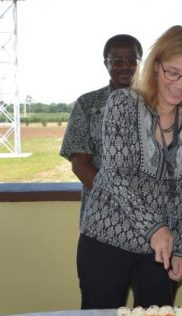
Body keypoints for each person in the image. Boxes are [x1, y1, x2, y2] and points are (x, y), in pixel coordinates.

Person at [76, 25, 182, 310]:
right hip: (107, 239)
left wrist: (181, 250)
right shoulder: (123, 103)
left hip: (161, 249)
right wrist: (154, 227)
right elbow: (116, 175)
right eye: (173, 73)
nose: (180, 84)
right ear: (156, 67)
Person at [60, 34, 142, 224]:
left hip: (149, 214)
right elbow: (79, 163)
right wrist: (119, 201)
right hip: (102, 211)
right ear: (106, 63)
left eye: (132, 60)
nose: (125, 66)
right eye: (117, 61)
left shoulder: (155, 104)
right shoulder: (87, 104)